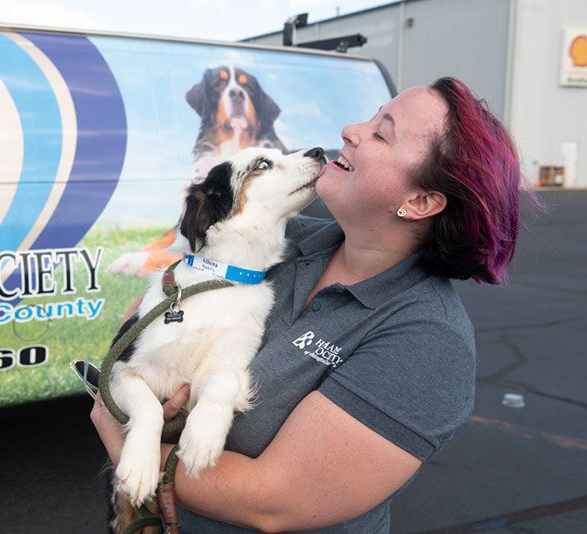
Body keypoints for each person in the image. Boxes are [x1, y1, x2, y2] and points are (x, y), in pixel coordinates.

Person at [91, 77, 532, 533]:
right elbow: (141, 330)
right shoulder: (278, 241)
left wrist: (126, 440)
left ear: (419, 201)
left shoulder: (428, 341)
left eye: (381, 132)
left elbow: (272, 502)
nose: (350, 130)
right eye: (370, 115)